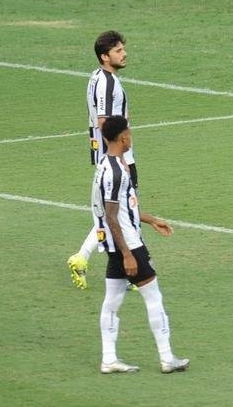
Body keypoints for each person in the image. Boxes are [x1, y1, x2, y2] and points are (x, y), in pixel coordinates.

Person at [92, 116, 188, 374]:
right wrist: (128, 255)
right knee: (153, 297)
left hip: (117, 245)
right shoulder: (114, 172)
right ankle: (167, 358)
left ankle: (109, 359)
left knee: (111, 302)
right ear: (123, 138)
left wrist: (150, 219)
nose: (131, 137)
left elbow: (122, 210)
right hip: (128, 245)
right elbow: (111, 216)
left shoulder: (107, 164)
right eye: (129, 134)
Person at [68, 30, 134, 290]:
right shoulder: (106, 82)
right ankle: (88, 259)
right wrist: (119, 159)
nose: (124, 53)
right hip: (114, 156)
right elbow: (105, 122)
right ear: (105, 57)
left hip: (111, 155)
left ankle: (86, 258)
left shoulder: (98, 77)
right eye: (118, 50)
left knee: (116, 212)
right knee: (119, 211)